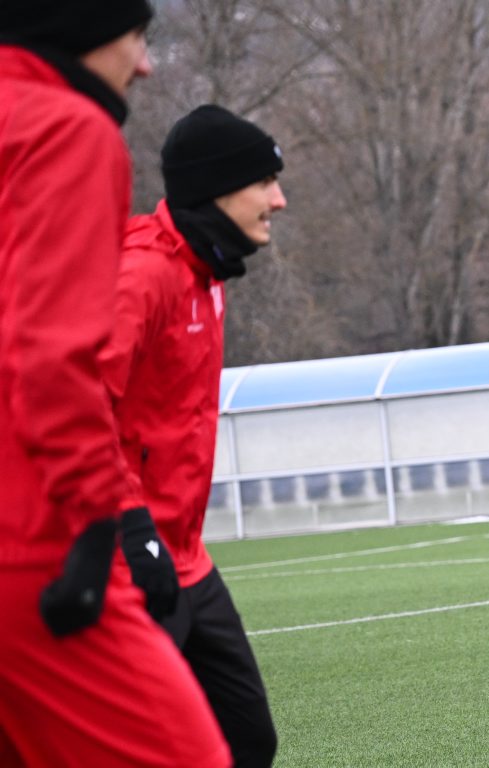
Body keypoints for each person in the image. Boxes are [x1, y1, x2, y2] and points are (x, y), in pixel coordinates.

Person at [0, 3, 232, 766]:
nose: (145, 65)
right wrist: (105, 526)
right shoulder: (65, 129)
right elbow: (49, 359)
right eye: (135, 37)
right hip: (32, 535)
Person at [99, 104, 287, 767]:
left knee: (247, 739)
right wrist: (130, 527)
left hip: (186, 559)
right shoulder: (141, 275)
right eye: (265, 182)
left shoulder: (207, 275)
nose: (279, 199)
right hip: (124, 561)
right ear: (218, 188)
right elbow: (80, 407)